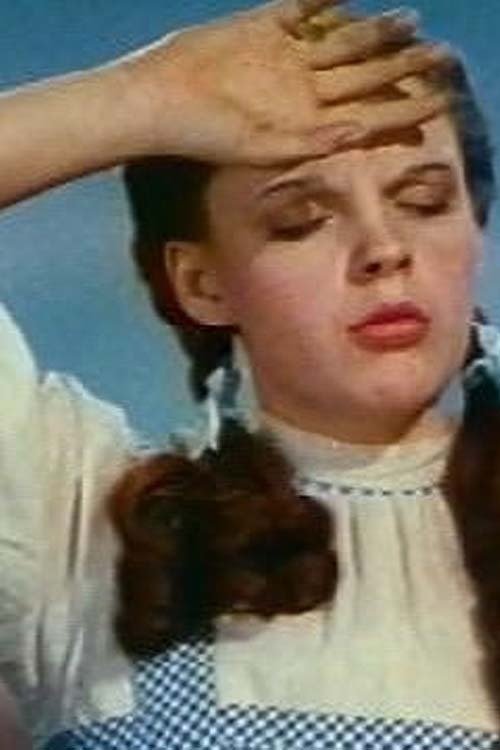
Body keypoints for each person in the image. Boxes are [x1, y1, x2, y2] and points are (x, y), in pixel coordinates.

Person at [0, 0, 489, 748]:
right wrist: (143, 97)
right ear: (202, 285)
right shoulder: (82, 528)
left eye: (424, 201)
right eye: (301, 219)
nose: (385, 248)